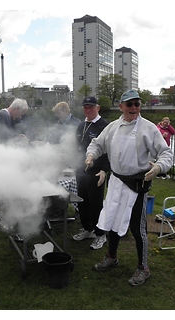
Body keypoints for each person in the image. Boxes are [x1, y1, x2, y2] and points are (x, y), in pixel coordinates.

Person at [85, 89, 173, 286]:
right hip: (116, 182)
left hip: (136, 185)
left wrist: (159, 166)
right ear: (121, 106)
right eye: (129, 104)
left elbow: (166, 153)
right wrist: (91, 155)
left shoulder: (149, 129)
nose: (134, 108)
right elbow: (97, 144)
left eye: (137, 104)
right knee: (113, 220)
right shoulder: (113, 128)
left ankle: (143, 268)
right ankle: (111, 256)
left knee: (137, 227)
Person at [72, 97, 111, 250]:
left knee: (96, 204)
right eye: (85, 107)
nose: (88, 110)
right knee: (82, 201)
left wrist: (104, 170)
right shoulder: (81, 125)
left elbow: (109, 150)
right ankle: (88, 229)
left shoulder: (104, 126)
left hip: (96, 172)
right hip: (81, 170)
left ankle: (100, 234)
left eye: (91, 107)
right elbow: (77, 148)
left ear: (98, 108)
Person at [0, 98, 29, 233]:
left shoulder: (4, 116)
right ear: (17, 109)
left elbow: (5, 135)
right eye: (21, 113)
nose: (20, 116)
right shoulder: (3, 115)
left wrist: (17, 136)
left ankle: (1, 216)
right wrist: (18, 138)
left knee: (2, 188)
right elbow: (3, 139)